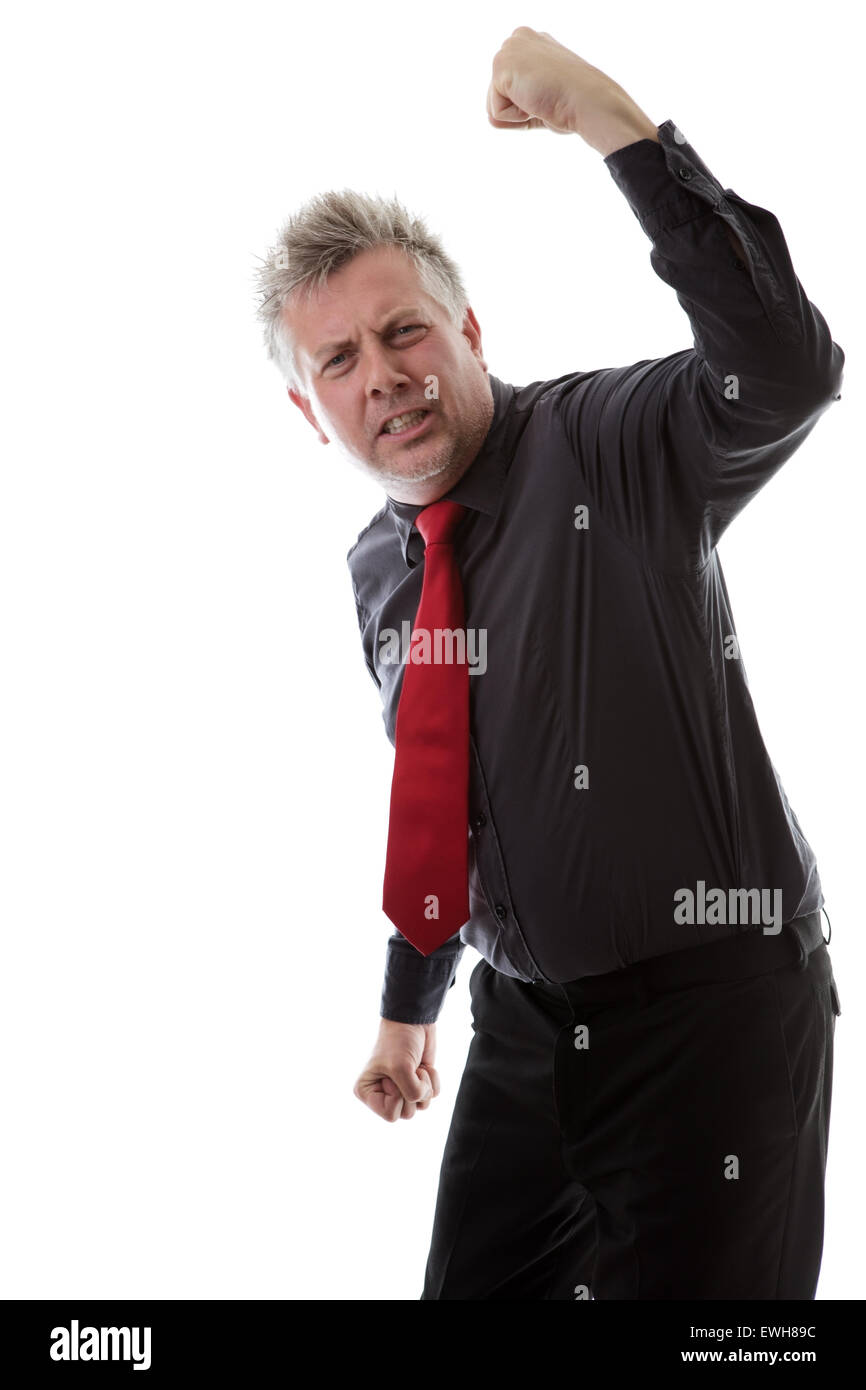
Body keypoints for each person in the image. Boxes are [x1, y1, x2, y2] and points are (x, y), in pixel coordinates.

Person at [253, 27, 844, 1299]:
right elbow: (443, 785)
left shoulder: (606, 442)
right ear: (310, 411)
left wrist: (608, 122)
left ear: (464, 324)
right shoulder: (381, 565)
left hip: (710, 1023)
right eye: (338, 363)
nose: (384, 379)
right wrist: (409, 1000)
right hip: (522, 1029)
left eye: (402, 331)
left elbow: (785, 367)